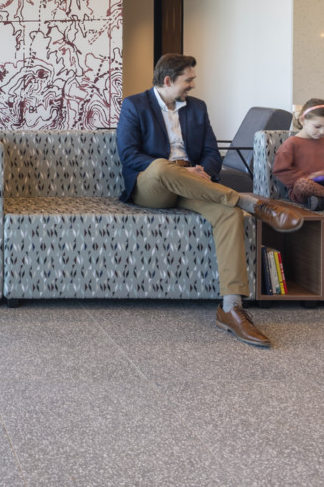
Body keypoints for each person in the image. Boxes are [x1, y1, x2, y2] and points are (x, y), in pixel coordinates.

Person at [117, 53, 307, 348]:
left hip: (195, 186)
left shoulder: (197, 108)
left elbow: (210, 151)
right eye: (188, 79)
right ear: (168, 80)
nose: (193, 84)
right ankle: (250, 203)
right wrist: (177, 168)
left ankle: (231, 309)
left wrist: (203, 171)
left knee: (227, 214)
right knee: (161, 167)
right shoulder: (135, 105)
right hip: (152, 185)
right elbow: (129, 155)